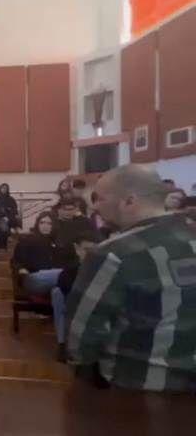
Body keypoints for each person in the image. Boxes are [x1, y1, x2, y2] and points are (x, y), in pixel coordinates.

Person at [66, 164, 196, 391]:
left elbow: (82, 336)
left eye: (100, 198)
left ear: (129, 201)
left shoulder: (112, 254)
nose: (95, 206)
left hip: (135, 387)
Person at [50, 230, 101, 362]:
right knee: (57, 294)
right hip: (73, 305)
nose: (90, 254)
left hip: (99, 307)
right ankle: (62, 344)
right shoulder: (70, 270)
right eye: (86, 249)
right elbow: (64, 287)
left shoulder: (104, 268)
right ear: (77, 249)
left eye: (94, 250)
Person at [11, 212, 70, 299]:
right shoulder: (27, 240)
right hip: (33, 278)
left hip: (56, 279)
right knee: (66, 275)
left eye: (49, 223)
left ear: (54, 225)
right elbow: (17, 261)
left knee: (58, 292)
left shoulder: (60, 244)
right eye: (42, 223)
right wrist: (21, 270)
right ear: (37, 224)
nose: (45, 226)